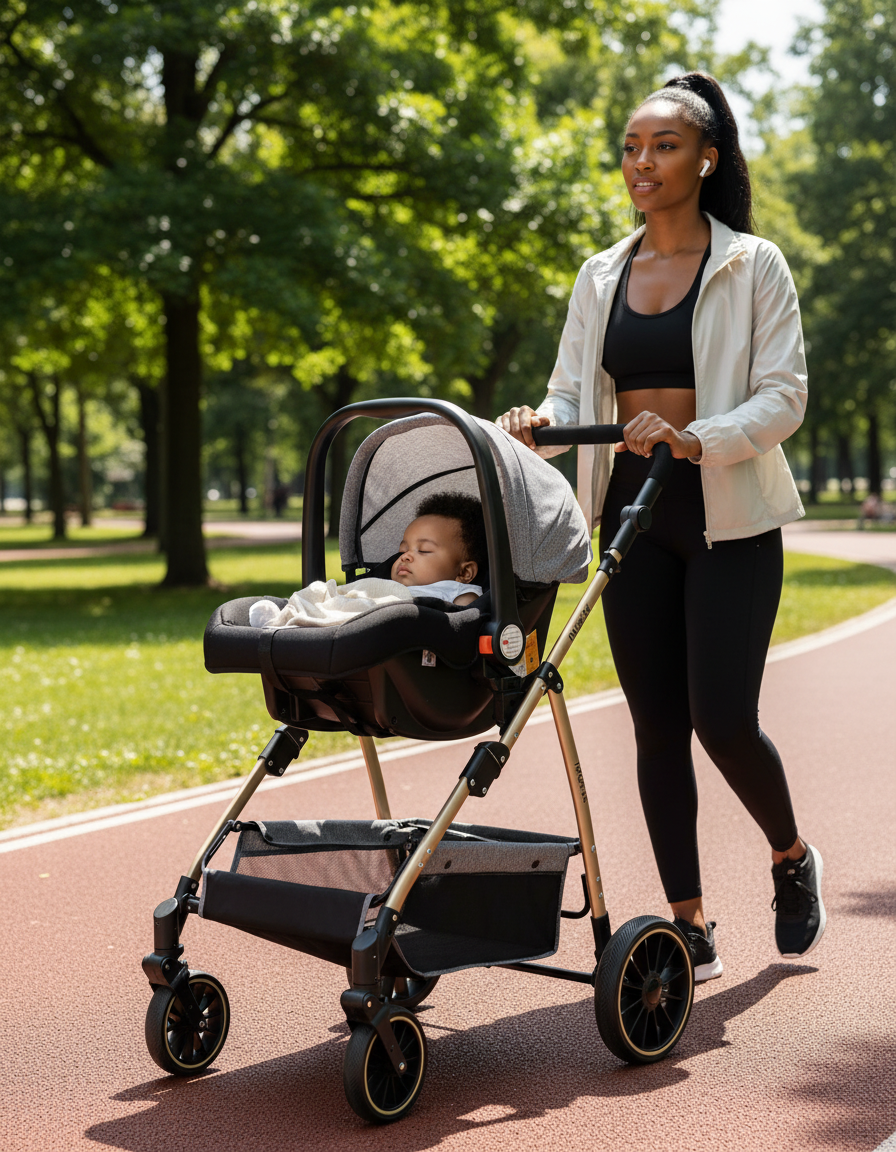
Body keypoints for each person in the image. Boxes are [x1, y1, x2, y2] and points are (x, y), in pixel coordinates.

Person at [497, 72, 825, 983]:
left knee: (723, 719)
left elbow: (784, 398)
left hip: (727, 517)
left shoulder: (753, 265)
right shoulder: (600, 273)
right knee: (654, 728)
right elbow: (572, 389)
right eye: (632, 148)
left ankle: (791, 860)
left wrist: (697, 438)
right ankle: (690, 923)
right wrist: (540, 425)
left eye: (664, 147)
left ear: (707, 158)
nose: (642, 163)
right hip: (629, 516)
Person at [248, 492, 485, 628]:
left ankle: (295, 622)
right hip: (365, 615)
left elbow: (464, 626)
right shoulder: (385, 586)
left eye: (423, 551)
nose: (406, 555)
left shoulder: (458, 592)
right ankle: (290, 615)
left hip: (393, 630)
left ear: (464, 573)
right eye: (403, 549)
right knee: (327, 593)